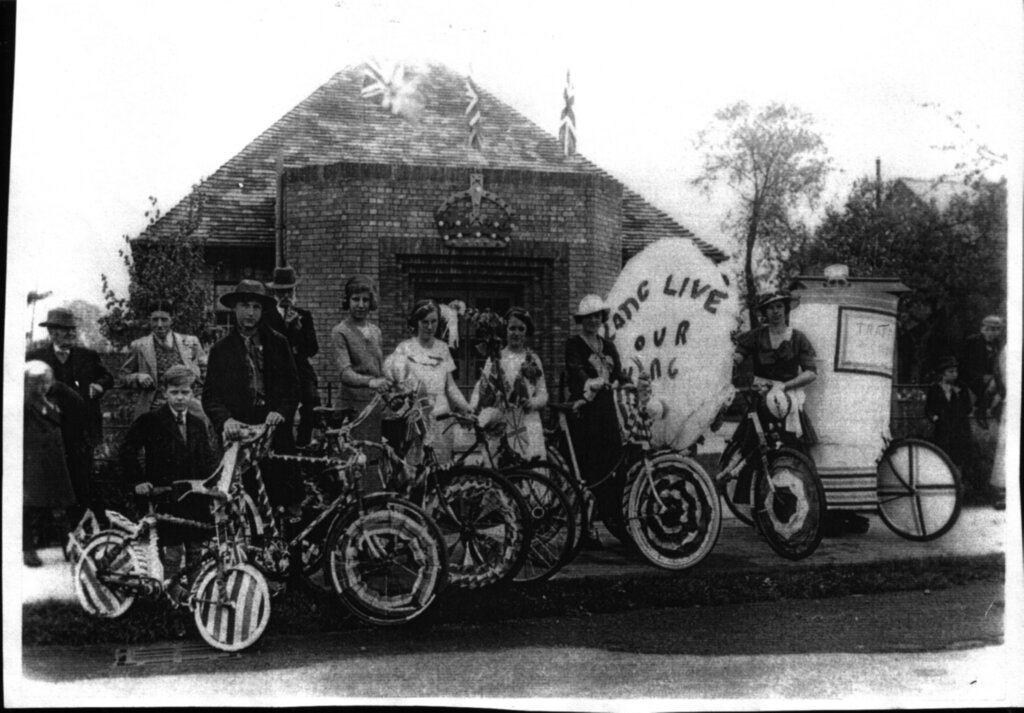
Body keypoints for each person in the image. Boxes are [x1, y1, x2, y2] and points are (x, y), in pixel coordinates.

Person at [202, 279, 301, 514]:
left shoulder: (278, 343)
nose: (250, 313)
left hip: (274, 430)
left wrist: (281, 412)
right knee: (244, 504)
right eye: (245, 306)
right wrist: (226, 420)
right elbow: (211, 397)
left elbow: (293, 388)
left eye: (256, 307)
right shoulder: (221, 350)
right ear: (235, 308)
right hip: (241, 434)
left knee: (284, 503)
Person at [119, 365, 219, 597]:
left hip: (194, 497)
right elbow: (127, 450)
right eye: (175, 392)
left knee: (196, 550)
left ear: (192, 394)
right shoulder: (151, 420)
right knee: (173, 551)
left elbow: (207, 458)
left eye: (185, 392)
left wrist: (212, 485)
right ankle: (170, 597)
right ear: (165, 393)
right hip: (166, 496)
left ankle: (195, 598)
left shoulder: (197, 423)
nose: (180, 398)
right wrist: (138, 480)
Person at [27, 307, 114, 515]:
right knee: (51, 480)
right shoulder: (36, 357)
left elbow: (107, 377)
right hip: (49, 430)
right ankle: (54, 531)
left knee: (82, 478)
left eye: (72, 330)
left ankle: (85, 525)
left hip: (81, 430)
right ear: (52, 332)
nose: (71, 334)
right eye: (66, 331)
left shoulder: (88, 356)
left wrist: (99, 385)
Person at [564, 294, 627, 544]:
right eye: (588, 316)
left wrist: (634, 384)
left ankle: (615, 518)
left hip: (608, 414)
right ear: (581, 320)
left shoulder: (608, 346)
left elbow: (619, 374)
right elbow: (575, 370)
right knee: (587, 469)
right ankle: (587, 526)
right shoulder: (574, 344)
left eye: (597, 316)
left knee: (613, 466)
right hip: (586, 413)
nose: (593, 320)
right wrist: (590, 383)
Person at [385, 299, 471, 464]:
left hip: (441, 418)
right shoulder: (404, 348)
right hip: (414, 418)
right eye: (425, 322)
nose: (430, 327)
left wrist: (467, 407)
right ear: (416, 322)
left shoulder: (443, 349)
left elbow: (451, 387)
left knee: (440, 470)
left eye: (434, 322)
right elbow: (394, 384)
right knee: (415, 471)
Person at [469, 307, 549, 461]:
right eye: (512, 328)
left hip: (527, 421)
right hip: (501, 422)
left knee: (529, 470)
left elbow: (543, 393)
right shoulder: (496, 358)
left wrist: (533, 403)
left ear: (526, 331)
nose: (516, 333)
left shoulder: (533, 360)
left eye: (521, 329)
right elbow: (481, 387)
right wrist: (472, 408)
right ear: (505, 330)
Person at [331, 276, 388, 487]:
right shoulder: (340, 332)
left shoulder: (376, 331)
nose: (361, 305)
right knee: (354, 461)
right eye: (356, 299)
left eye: (365, 299)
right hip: (351, 408)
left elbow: (380, 369)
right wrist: (371, 382)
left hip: (373, 407)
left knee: (374, 456)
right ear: (348, 301)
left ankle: (373, 509)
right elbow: (345, 373)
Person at [23, 361, 80, 567]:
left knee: (61, 507)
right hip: (34, 463)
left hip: (54, 463)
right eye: (39, 383)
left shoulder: (49, 402)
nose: (44, 387)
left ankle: (69, 548)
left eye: (47, 382)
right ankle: (28, 549)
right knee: (31, 508)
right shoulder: (26, 403)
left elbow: (62, 415)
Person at [263, 266, 321, 447]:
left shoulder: (304, 316)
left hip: (300, 368)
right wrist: (285, 329)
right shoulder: (267, 316)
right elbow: (271, 346)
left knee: (312, 404)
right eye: (281, 292)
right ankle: (285, 448)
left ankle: (303, 443)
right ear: (275, 293)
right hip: (279, 370)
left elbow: (312, 349)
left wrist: (298, 330)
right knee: (283, 410)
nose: (285, 296)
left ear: (294, 291)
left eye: (289, 291)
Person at [119, 300, 207, 420]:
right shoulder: (139, 346)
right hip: (155, 407)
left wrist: (200, 395)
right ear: (149, 320)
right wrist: (138, 377)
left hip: (187, 406)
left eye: (164, 319)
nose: (159, 325)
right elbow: (123, 376)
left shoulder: (190, 342)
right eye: (155, 319)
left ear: (172, 320)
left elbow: (206, 372)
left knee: (200, 427)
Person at [924, 356, 974, 485]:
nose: (954, 375)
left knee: (959, 458)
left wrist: (957, 398)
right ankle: (945, 485)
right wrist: (934, 418)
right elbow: (928, 409)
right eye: (950, 372)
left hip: (959, 429)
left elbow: (968, 408)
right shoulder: (934, 389)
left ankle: (958, 486)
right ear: (942, 374)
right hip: (943, 429)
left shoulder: (961, 388)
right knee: (944, 457)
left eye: (955, 371)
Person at [959, 315, 1005, 429]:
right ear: (983, 329)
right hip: (972, 376)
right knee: (996, 385)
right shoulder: (972, 342)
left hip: (990, 378)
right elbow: (964, 364)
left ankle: (994, 411)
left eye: (996, 330)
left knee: (1002, 386)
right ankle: (981, 410)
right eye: (989, 329)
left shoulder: (997, 344)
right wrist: (981, 376)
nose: (992, 333)